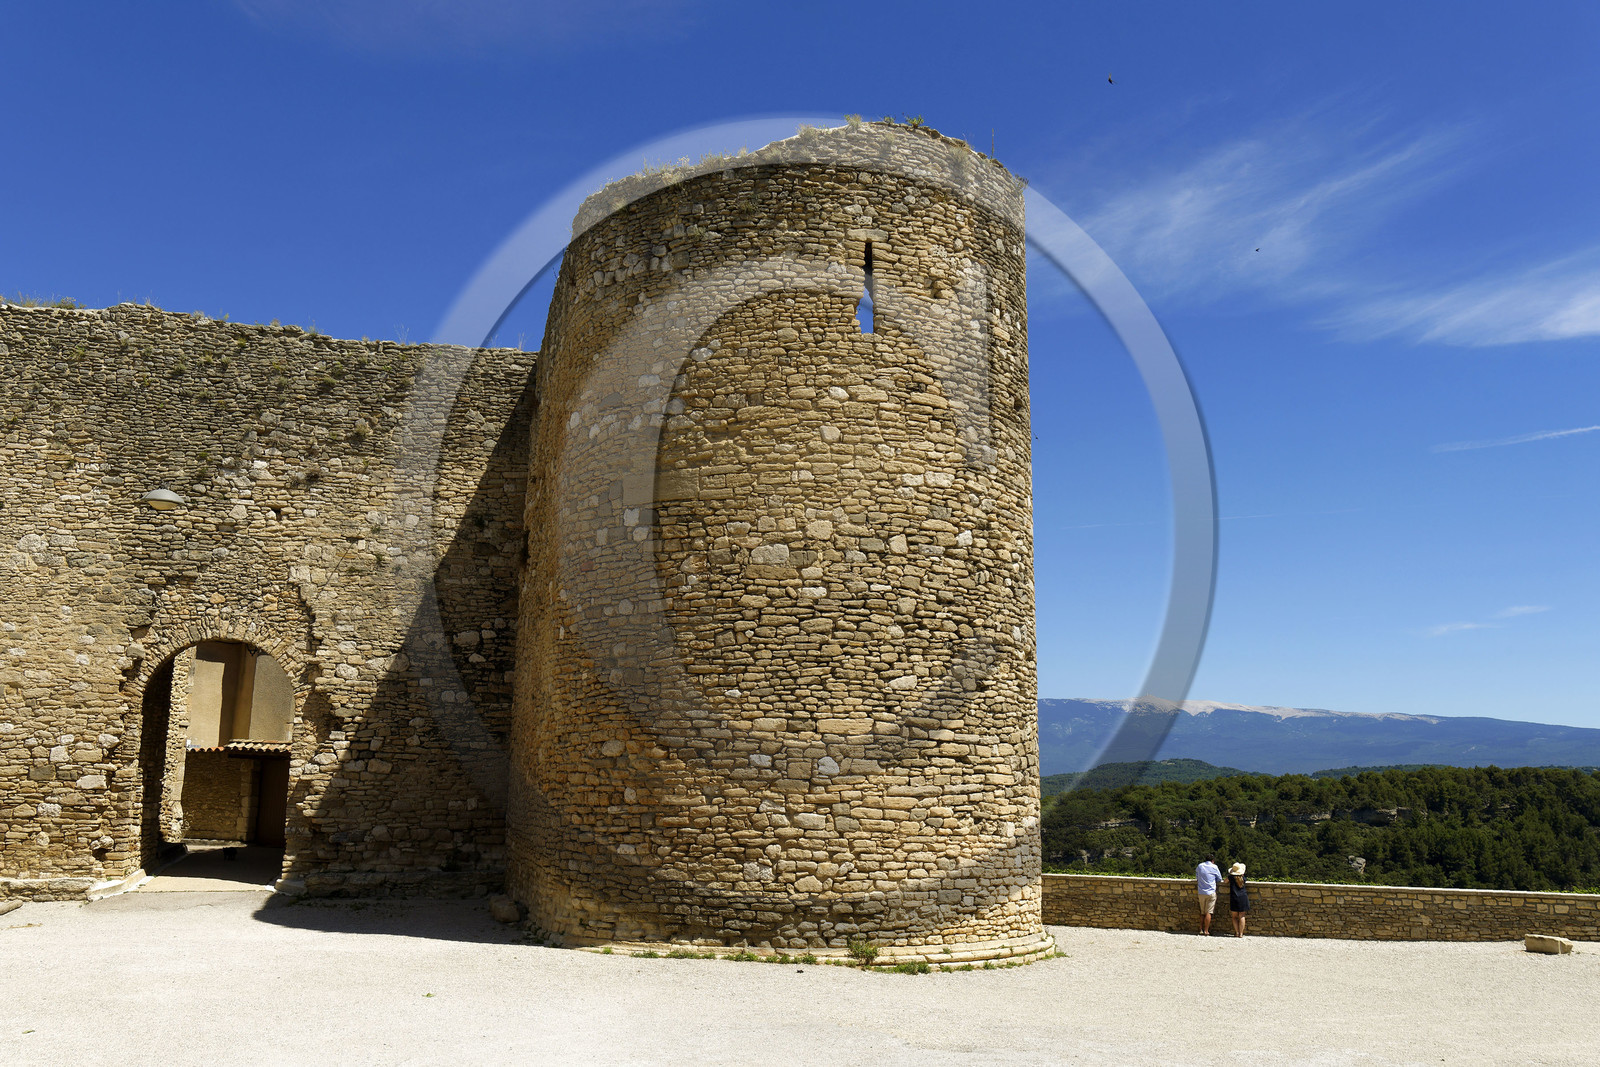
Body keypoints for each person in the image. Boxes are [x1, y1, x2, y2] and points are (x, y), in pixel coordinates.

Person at [1195, 856, 1223, 935]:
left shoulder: (1200, 866)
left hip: (1201, 892)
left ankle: (1200, 929)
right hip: (1211, 892)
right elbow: (1219, 878)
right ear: (1213, 860)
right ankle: (1206, 930)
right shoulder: (1214, 867)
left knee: (1202, 912)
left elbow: (1197, 876)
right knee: (1208, 912)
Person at [1227, 862, 1249, 937]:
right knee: (1242, 916)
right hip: (1243, 897)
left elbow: (1225, 881)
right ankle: (1241, 933)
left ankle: (1236, 932)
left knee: (1234, 917)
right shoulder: (1243, 878)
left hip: (1234, 897)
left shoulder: (1231, 878)